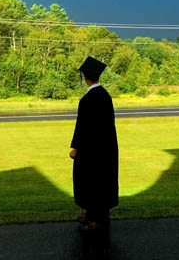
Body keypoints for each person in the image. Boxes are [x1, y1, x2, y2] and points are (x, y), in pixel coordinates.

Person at [70, 56, 118, 232]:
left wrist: (75, 148)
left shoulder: (88, 99)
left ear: (85, 77)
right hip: (105, 149)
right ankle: (92, 216)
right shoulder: (105, 96)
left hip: (91, 150)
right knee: (100, 183)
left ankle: (97, 221)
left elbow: (83, 127)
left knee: (91, 183)